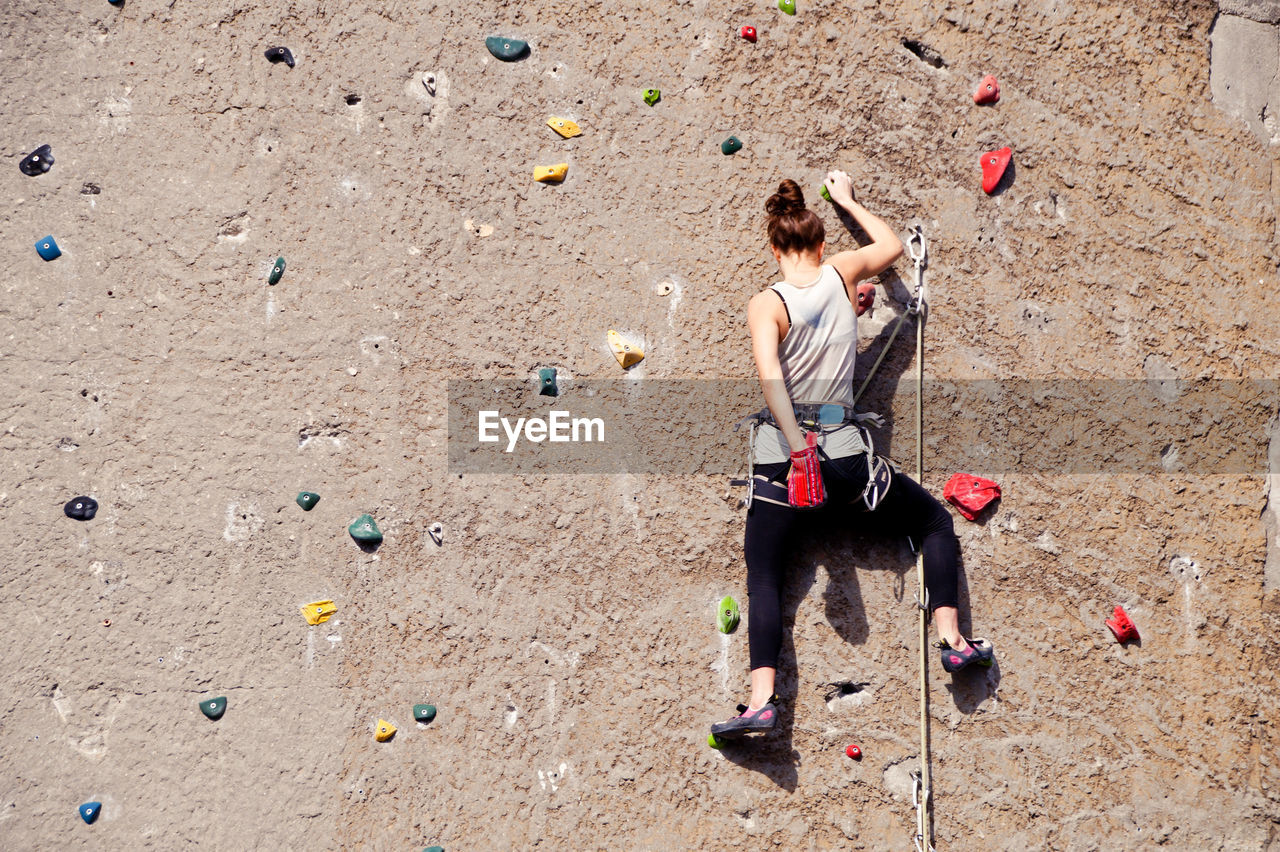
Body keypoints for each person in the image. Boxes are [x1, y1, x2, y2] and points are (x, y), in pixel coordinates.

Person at [711, 173, 994, 739]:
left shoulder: (765, 303)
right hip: (845, 460)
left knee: (765, 578)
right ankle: (954, 642)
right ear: (820, 246)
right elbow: (889, 250)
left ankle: (761, 702)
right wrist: (847, 200)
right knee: (934, 521)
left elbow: (772, 379)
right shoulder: (842, 274)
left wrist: (795, 447)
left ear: (774, 249)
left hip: (780, 464)